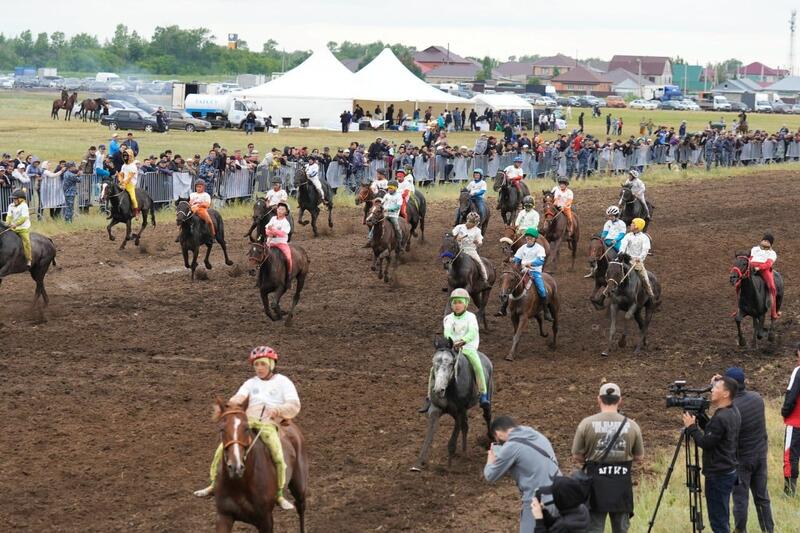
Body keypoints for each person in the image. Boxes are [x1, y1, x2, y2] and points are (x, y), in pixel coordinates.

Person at [193, 345, 299, 510]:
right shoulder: (250, 383)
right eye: (256, 365)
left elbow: (294, 404)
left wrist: (278, 410)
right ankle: (213, 484)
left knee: (277, 453)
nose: (259, 368)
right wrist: (231, 404)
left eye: (263, 364)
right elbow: (239, 396)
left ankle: (278, 494)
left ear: (271, 364)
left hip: (268, 424)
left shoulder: (283, 382)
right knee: (222, 449)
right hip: (248, 422)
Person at [572, 383, 644, 533]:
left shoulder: (586, 424)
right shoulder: (632, 426)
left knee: (594, 528)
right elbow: (639, 457)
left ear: (599, 399)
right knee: (621, 529)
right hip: (621, 486)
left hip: (595, 487)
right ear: (620, 400)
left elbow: (577, 455)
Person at [682, 376, 741, 533]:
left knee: (718, 521)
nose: (712, 390)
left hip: (718, 474)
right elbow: (714, 433)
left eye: (716, 388)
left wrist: (692, 427)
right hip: (728, 469)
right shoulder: (732, 411)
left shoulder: (721, 417)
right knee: (722, 514)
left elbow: (706, 443)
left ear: (726, 393)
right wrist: (701, 419)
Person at [483, 415, 561, 533]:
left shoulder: (511, 446)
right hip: (560, 494)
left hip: (537, 500)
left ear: (498, 434)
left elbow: (490, 475)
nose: (498, 441)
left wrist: (491, 457)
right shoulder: (536, 434)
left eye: (496, 438)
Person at [725, 367, 774, 533]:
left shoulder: (731, 408)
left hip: (741, 460)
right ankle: (768, 529)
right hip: (760, 455)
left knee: (740, 499)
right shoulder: (757, 398)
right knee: (762, 498)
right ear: (744, 382)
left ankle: (740, 530)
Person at [506, 228, 551, 321]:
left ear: (535, 239)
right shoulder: (522, 248)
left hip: (535, 272)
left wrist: (531, 263)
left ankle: (546, 311)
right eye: (527, 237)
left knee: (542, 290)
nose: (528, 239)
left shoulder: (540, 248)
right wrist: (512, 260)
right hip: (522, 271)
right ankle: (503, 307)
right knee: (510, 284)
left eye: (530, 238)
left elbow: (541, 260)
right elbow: (517, 258)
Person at [618, 218, 654, 299]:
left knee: (645, 278)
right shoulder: (628, 236)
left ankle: (650, 294)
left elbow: (645, 250)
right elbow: (623, 245)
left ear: (637, 226)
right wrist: (621, 252)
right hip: (626, 259)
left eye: (632, 223)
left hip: (637, 262)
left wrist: (640, 258)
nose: (630, 225)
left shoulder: (644, 238)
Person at [782, 343, 800, 497]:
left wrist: (785, 412)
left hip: (796, 422)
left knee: (790, 456)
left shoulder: (798, 370)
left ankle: (789, 493)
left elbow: (791, 394)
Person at [749, 234, 779, 319]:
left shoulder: (772, 253)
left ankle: (773, 312)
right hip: (751, 267)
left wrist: (759, 268)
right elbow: (750, 258)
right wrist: (750, 266)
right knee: (739, 281)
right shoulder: (755, 249)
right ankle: (738, 308)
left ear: (771, 244)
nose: (765, 241)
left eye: (768, 241)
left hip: (764, 270)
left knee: (772, 288)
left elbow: (768, 264)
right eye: (764, 240)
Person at [452, 212, 488, 283]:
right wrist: (456, 238)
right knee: (450, 262)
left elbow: (480, 242)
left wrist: (478, 242)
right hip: (458, 249)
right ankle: (450, 279)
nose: (469, 223)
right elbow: (451, 237)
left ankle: (485, 280)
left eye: (472, 223)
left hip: (470, 250)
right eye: (469, 221)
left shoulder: (477, 231)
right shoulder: (459, 227)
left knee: (479, 263)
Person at [265, 203, 293, 283]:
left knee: (288, 258)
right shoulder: (273, 218)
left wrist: (273, 231)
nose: (280, 211)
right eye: (279, 209)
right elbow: (266, 229)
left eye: (282, 210)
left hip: (281, 244)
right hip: (270, 243)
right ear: (276, 210)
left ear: (286, 212)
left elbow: (283, 233)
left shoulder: (286, 223)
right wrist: (269, 232)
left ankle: (289, 274)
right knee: (261, 255)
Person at [5, 189, 32, 268]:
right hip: (13, 228)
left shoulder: (24, 206)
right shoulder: (10, 205)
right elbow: (9, 216)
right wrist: (7, 223)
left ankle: (29, 259)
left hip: (23, 228)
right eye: (13, 199)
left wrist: (15, 224)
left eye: (15, 199)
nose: (14, 200)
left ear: (21, 199)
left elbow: (23, 218)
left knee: (26, 242)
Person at [117, 149, 139, 219]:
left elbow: (129, 177)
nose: (125, 157)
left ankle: (136, 213)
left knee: (132, 198)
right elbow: (121, 174)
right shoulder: (123, 165)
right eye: (124, 155)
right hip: (123, 183)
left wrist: (124, 184)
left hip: (130, 184)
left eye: (127, 155)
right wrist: (120, 179)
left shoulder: (133, 166)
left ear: (130, 156)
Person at [382, 180, 403, 245]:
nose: (389, 189)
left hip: (393, 216)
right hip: (384, 215)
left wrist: (388, 209)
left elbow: (397, 207)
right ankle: (370, 238)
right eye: (388, 188)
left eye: (391, 188)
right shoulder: (386, 195)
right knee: (375, 223)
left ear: (395, 188)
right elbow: (382, 203)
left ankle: (399, 242)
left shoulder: (398, 196)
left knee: (397, 228)